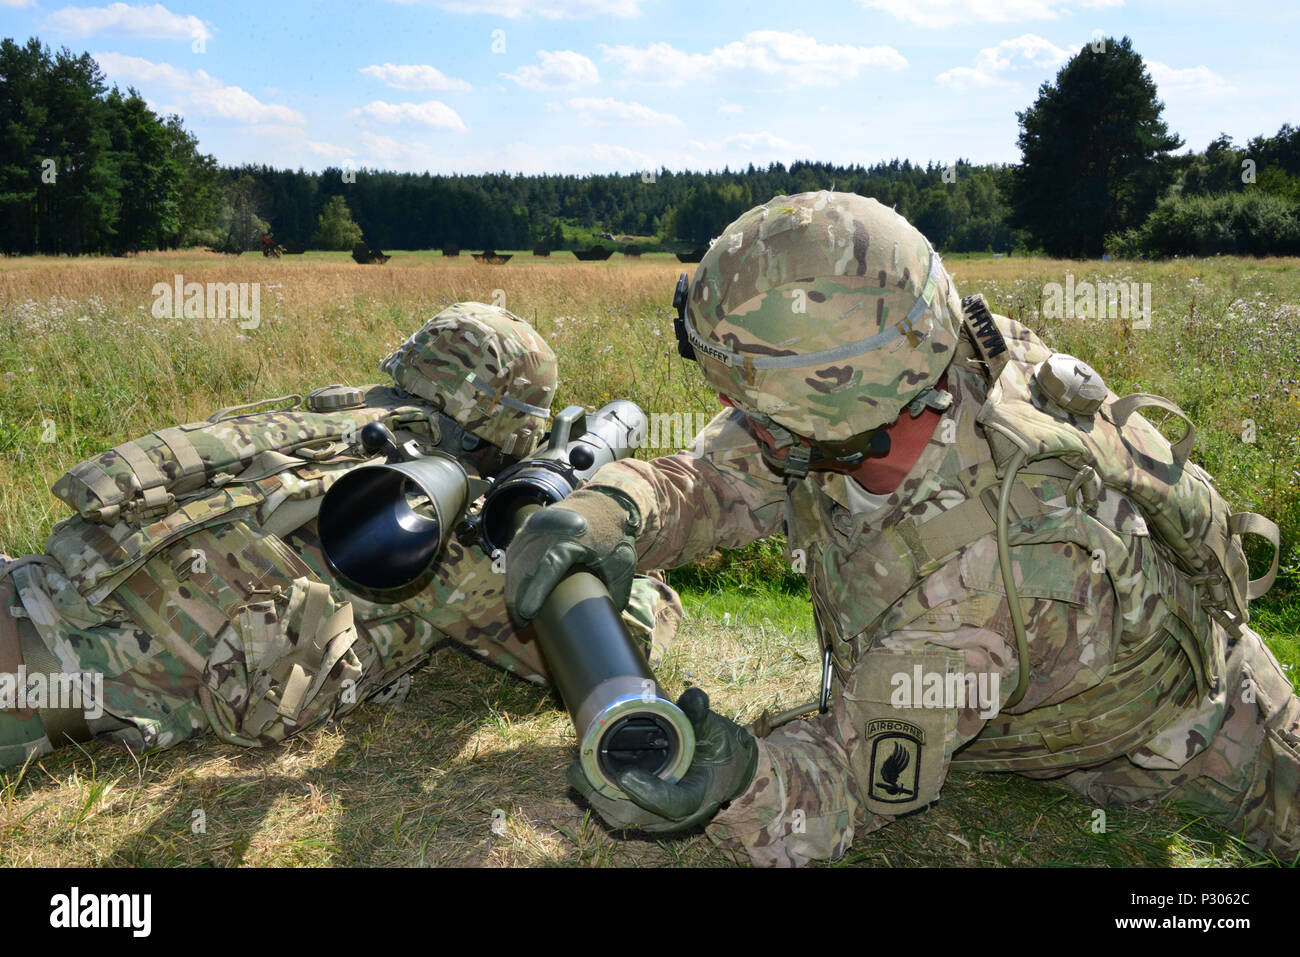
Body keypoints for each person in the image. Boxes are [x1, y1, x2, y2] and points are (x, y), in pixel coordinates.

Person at [504, 190, 1297, 867]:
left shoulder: (981, 584)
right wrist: (613, 509)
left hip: (1199, 747)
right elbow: (719, 478)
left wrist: (729, 783)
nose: (723, 410)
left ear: (828, 416)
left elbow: (840, 790)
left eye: (743, 395)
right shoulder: (909, 367)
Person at [0, 301, 681, 768]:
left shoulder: (328, 421)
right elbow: (624, 636)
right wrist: (592, 519)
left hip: (28, 581)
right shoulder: (416, 513)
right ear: (509, 431)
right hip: (39, 674)